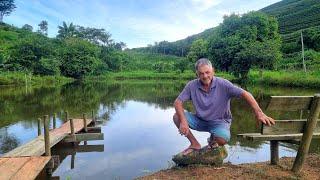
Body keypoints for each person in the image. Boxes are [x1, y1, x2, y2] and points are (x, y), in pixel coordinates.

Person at [173, 58, 275, 155]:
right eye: (201, 73)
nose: (205, 76)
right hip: (200, 120)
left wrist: (259, 113)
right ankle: (195, 144)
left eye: (207, 72)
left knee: (222, 139)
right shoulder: (192, 85)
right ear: (197, 74)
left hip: (220, 122)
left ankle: (213, 140)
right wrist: (184, 121)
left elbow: (246, 94)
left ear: (213, 71)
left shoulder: (223, 84)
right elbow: (177, 102)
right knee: (177, 117)